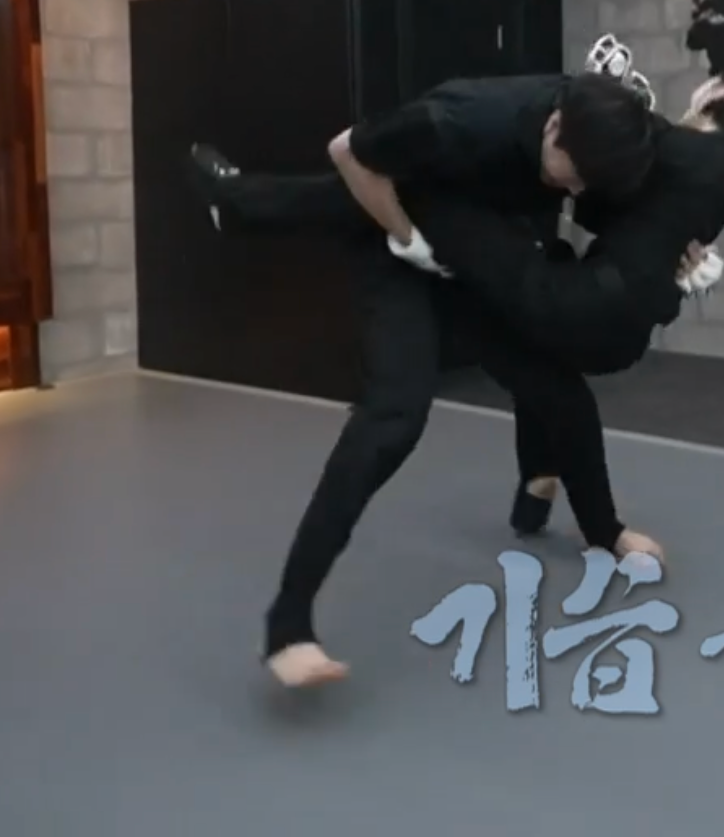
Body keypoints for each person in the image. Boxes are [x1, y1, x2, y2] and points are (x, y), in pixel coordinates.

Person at [194, 51, 724, 546]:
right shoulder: (716, 191)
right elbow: (609, 213)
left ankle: (242, 201)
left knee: (413, 194)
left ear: (722, 90)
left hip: (569, 299)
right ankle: (548, 496)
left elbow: (607, 167)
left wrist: (599, 94)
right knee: (553, 387)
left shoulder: (676, 146)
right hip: (613, 336)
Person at [225, 70, 660, 689]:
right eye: (573, 174)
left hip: (466, 254)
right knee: (394, 418)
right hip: (395, 242)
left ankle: (603, 530)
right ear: (554, 126)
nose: (575, 189)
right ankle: (288, 624)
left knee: (560, 392)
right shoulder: (459, 118)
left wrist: (684, 248)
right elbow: (347, 153)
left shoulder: (600, 125)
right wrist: (407, 239)